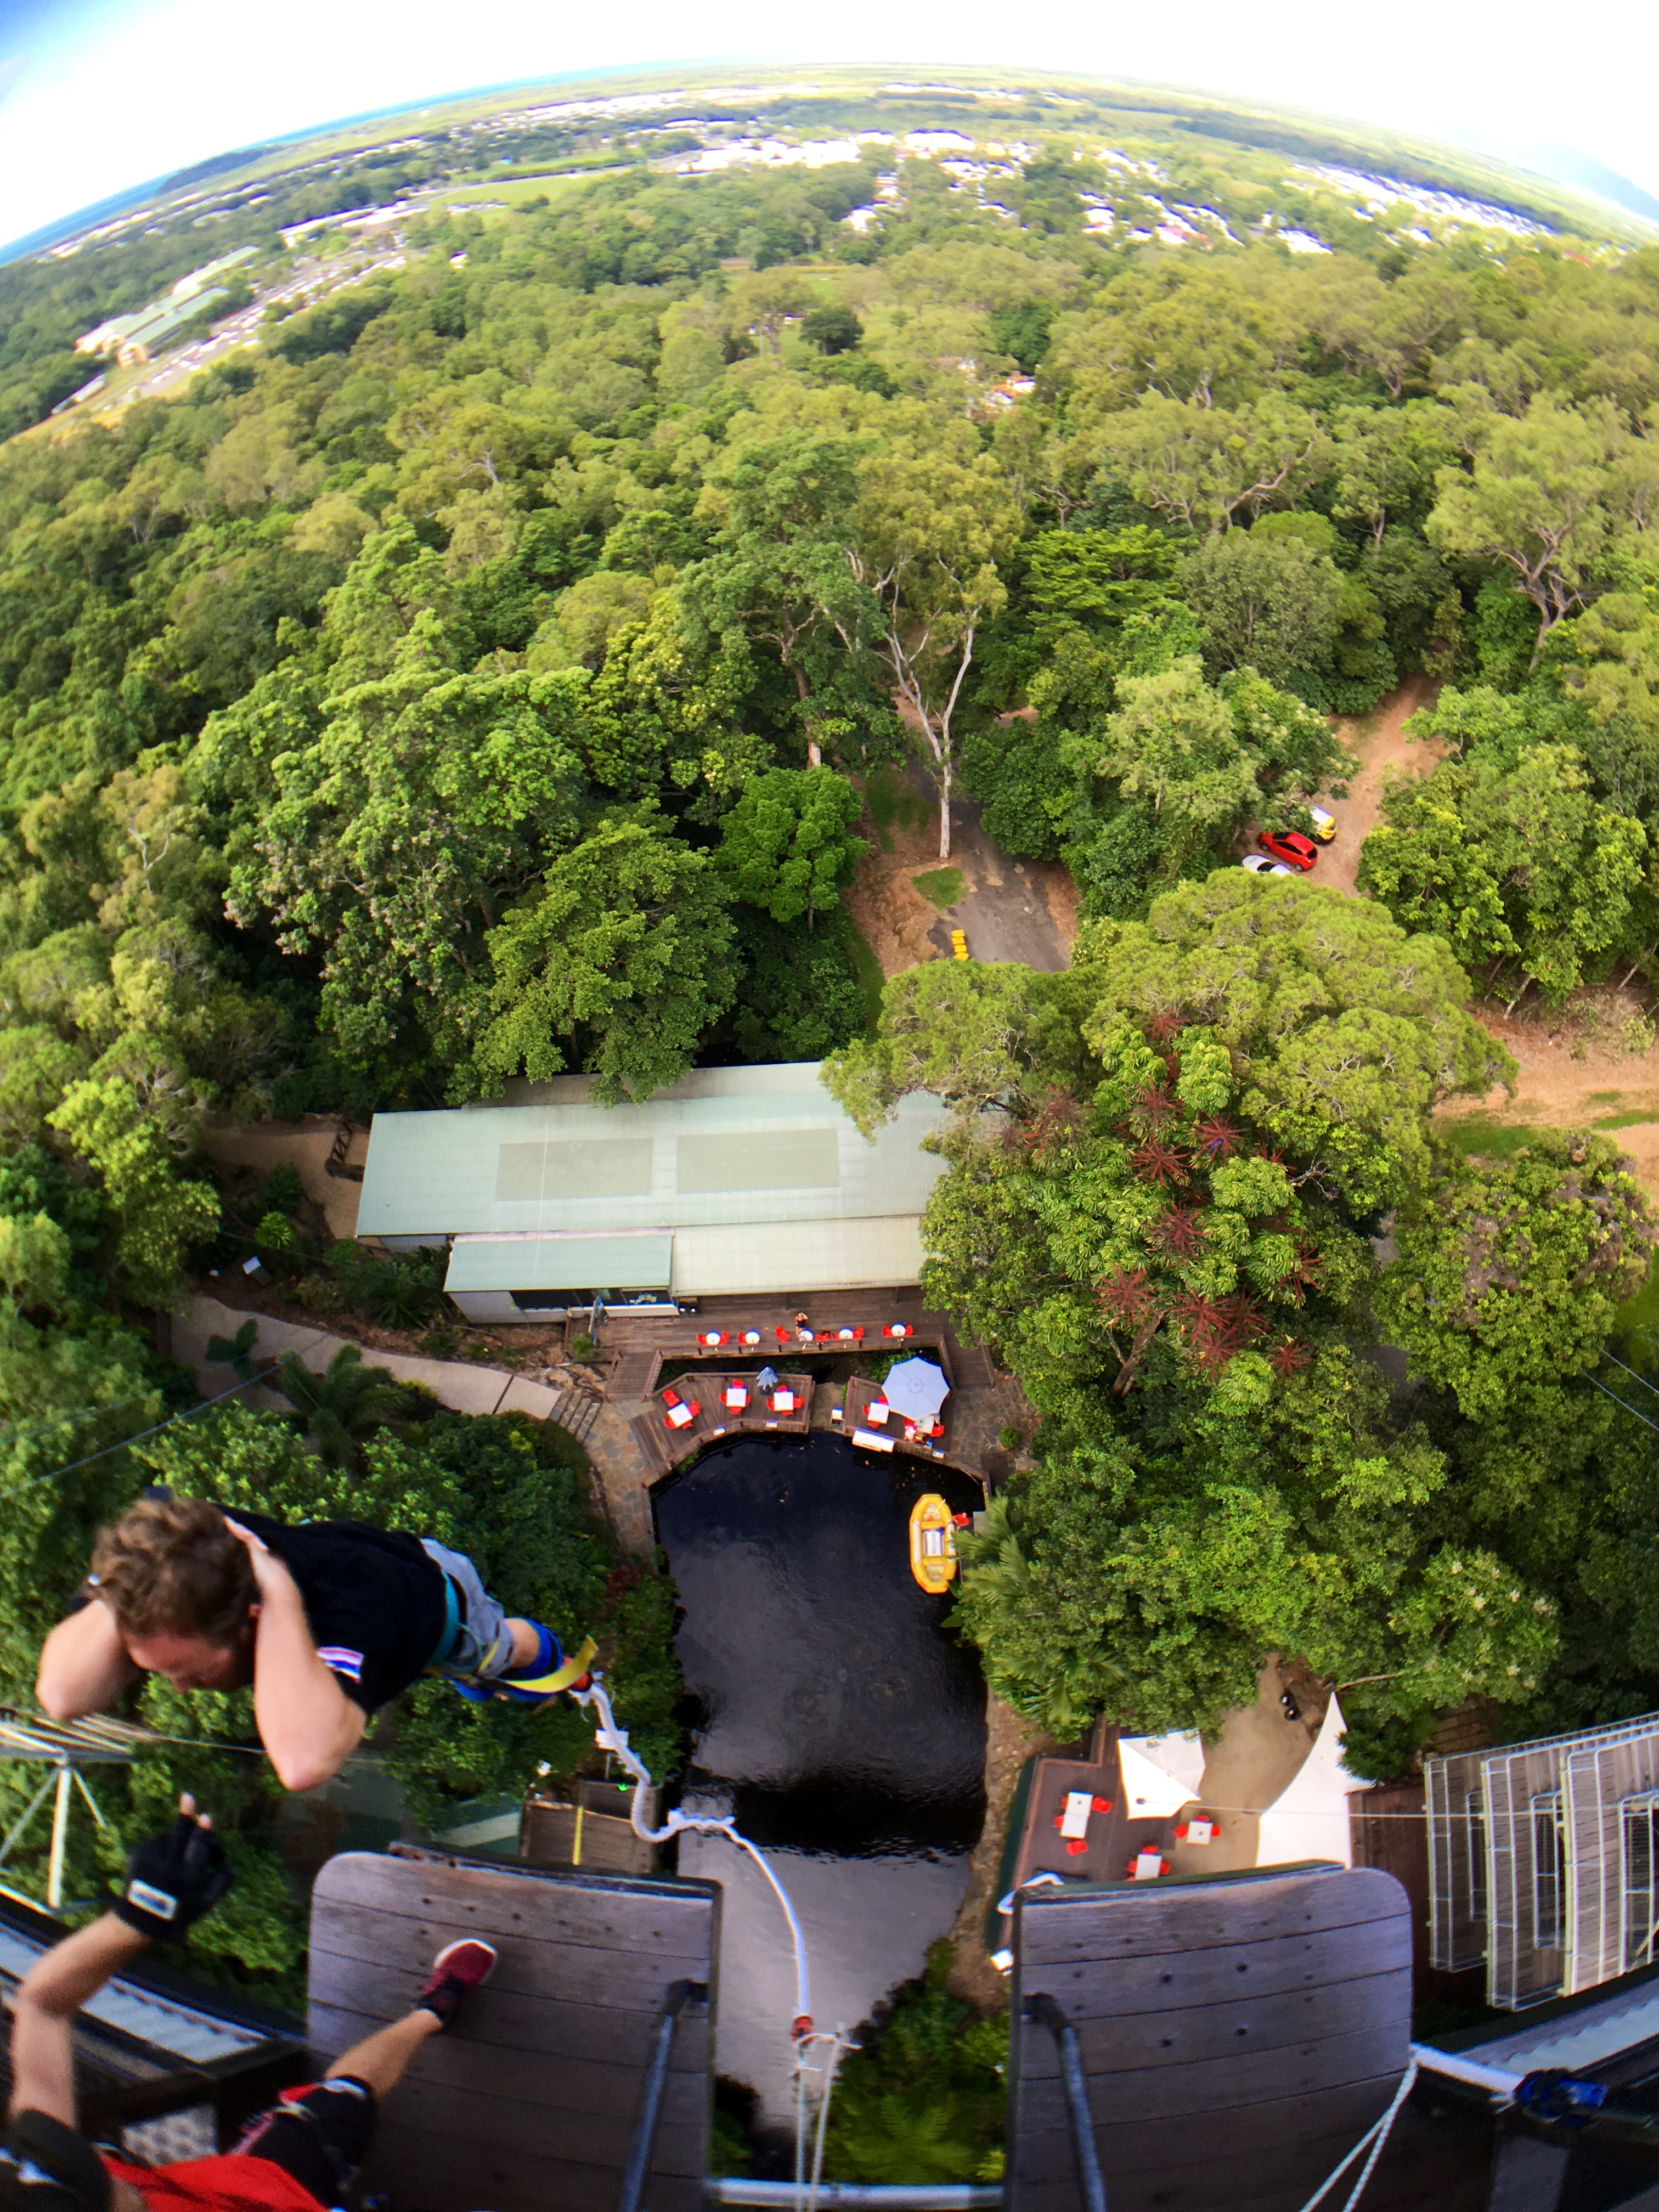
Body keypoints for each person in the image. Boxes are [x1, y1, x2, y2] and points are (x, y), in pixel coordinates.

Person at [1, 1796, 498, 2212]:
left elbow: (44, 2006)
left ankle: (431, 2012)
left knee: (342, 2099)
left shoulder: (45, 2166)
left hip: (243, 2186)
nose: (118, 2185)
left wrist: (140, 1916)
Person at [36, 1497, 597, 1792]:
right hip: (378, 1600)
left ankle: (548, 1663)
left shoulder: (349, 1610)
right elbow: (61, 1694)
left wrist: (277, 1587)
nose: (179, 1689)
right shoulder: (190, 1554)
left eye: (192, 1673)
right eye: (156, 1671)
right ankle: (485, 1684)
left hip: (449, 1614)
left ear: (251, 1620)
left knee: (498, 1659)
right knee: (468, 1682)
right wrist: (122, 1592)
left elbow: (303, 1763)